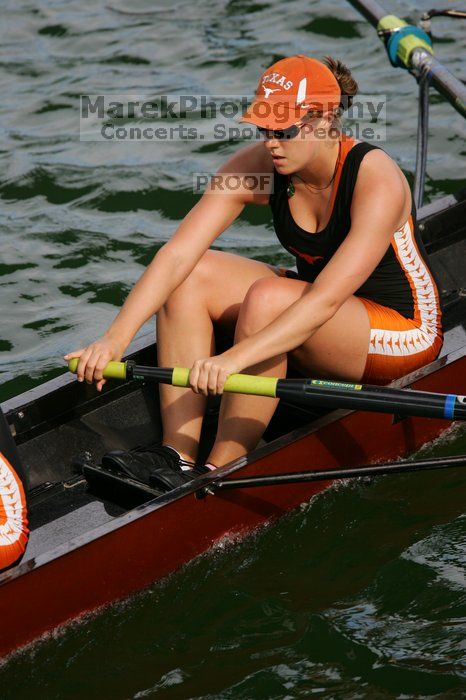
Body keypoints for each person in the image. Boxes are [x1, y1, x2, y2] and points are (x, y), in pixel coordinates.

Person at [64, 55, 443, 491]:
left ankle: (223, 466)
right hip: (323, 312)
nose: (272, 144)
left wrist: (234, 359)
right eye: (264, 129)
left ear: (322, 121)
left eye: (283, 130)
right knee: (192, 275)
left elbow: (325, 300)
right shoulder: (259, 167)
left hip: (403, 330)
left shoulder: (375, 179)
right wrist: (114, 338)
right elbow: (176, 256)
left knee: (266, 299)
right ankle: (178, 452)